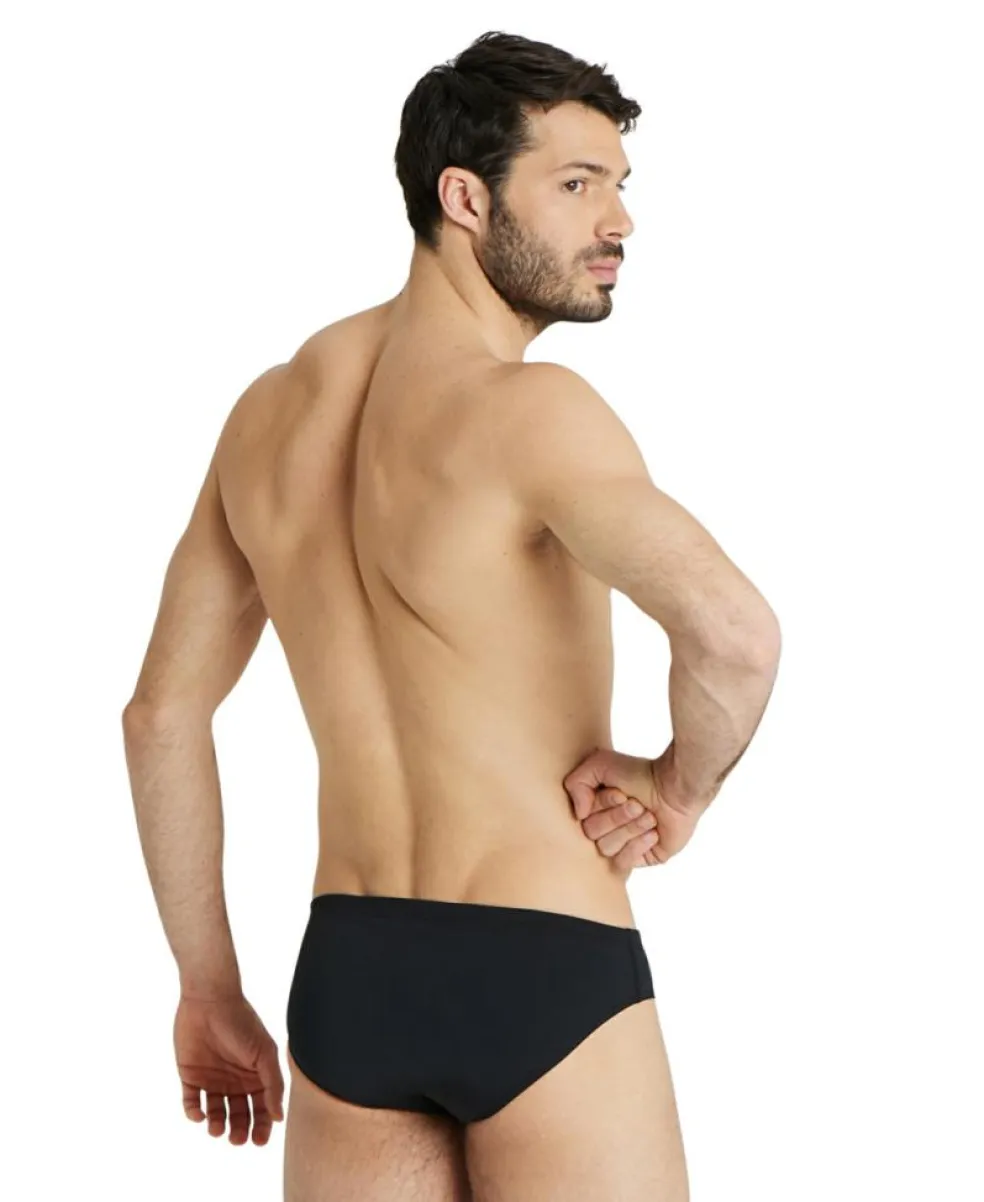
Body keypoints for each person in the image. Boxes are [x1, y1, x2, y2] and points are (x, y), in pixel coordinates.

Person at [121, 29, 781, 1202]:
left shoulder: (268, 417)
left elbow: (161, 715)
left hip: (350, 976)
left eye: (619, 185)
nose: (619, 220)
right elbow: (734, 632)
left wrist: (208, 986)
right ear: (465, 198)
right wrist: (679, 788)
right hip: (546, 964)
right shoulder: (534, 412)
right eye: (577, 185)